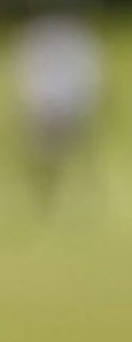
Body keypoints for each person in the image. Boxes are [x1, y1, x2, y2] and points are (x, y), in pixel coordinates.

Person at [13, 13, 105, 215]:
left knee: (70, 157)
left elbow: (88, 82)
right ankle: (44, 195)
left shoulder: (76, 43)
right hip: (43, 112)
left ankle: (82, 199)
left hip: (69, 113)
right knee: (43, 159)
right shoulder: (38, 41)